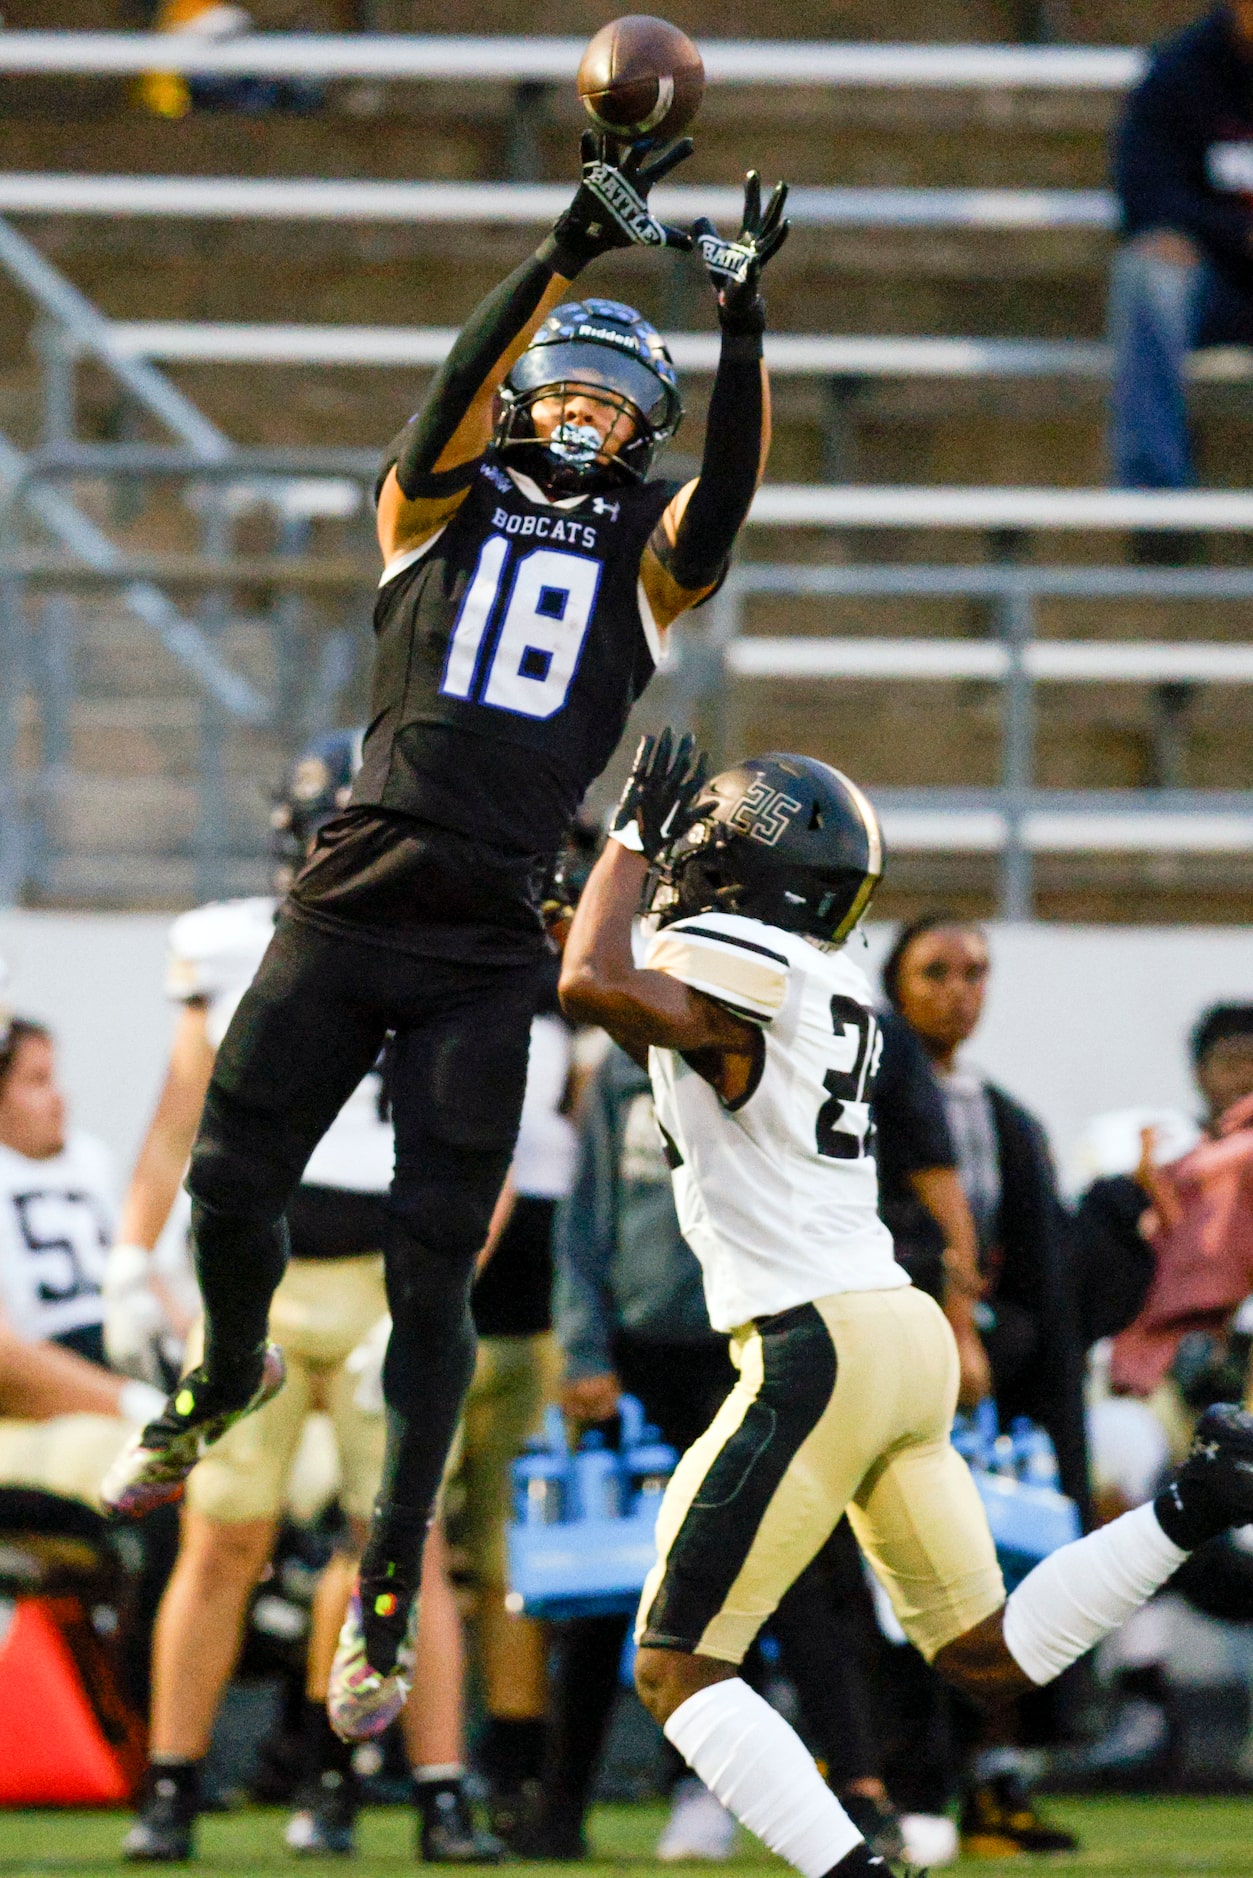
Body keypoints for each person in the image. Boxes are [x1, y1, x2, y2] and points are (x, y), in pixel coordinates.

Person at [102, 131, 790, 1748]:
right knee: (226, 1181)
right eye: (568, 387)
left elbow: (735, 491)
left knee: (434, 1282)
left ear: (644, 429)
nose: (584, 413)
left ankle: (392, 1574)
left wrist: (743, 321)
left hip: (491, 932)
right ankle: (227, 1367)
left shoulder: (647, 564)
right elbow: (449, 385)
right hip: (350, 893)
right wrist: (562, 251)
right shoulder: (431, 501)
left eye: (617, 403)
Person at [557, 730, 1253, 1878]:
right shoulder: (828, 980)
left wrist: (625, 840)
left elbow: (597, 984)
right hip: (897, 1331)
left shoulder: (731, 953)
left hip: (814, 1341)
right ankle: (1196, 1501)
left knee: (676, 1668)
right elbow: (647, 1006)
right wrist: (578, 904)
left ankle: (853, 1871)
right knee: (983, 1655)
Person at [106, 734, 498, 1865]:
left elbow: (486, 1144)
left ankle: (439, 1792)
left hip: (392, 1275)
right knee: (224, 1540)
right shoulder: (231, 944)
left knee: (407, 1547)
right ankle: (172, 1786)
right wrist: (133, 1258)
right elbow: (182, 1116)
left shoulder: (454, 939)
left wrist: (438, 1294)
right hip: (262, 1279)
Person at [550, 1039, 914, 1866]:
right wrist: (583, 1349)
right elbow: (586, 1212)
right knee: (608, 1585)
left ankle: (856, 1792)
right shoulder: (618, 1069)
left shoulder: (775, 1045)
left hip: (756, 1341)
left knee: (796, 1577)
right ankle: (564, 1801)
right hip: (644, 1354)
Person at [1109, 3, 1253, 506]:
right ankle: (1153, 494)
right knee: (1148, 273)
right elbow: (1144, 189)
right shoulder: (1182, 71)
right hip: (1209, 283)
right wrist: (1233, 235)